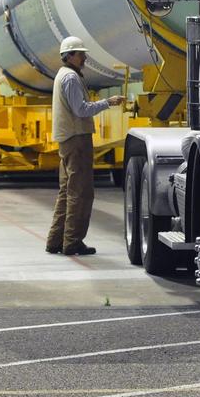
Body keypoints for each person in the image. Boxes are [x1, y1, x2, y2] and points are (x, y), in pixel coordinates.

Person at [46, 37, 124, 256]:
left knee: (66, 191)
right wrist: (108, 102)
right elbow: (81, 110)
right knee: (80, 192)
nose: (84, 58)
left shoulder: (63, 74)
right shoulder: (71, 78)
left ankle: (55, 241)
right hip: (77, 139)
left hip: (68, 139)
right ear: (69, 56)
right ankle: (72, 242)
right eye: (81, 54)